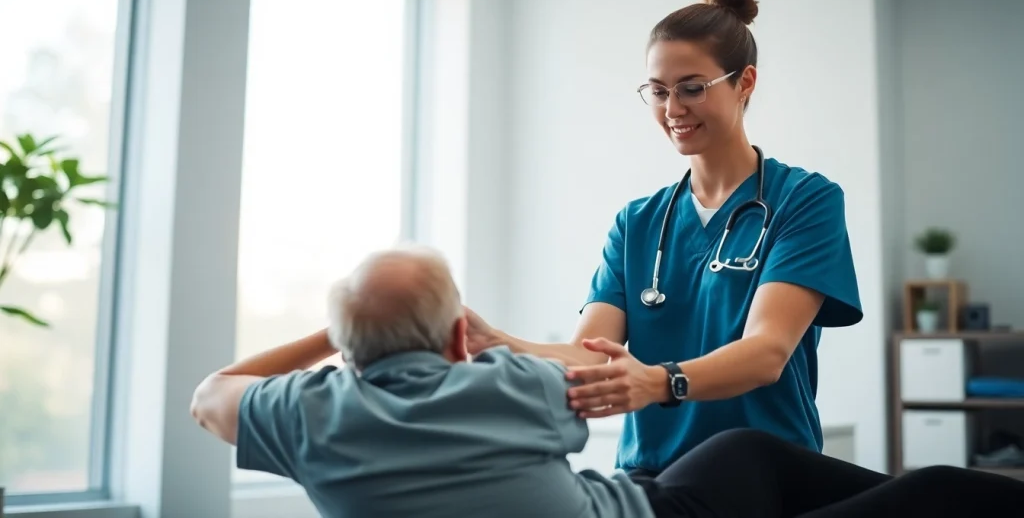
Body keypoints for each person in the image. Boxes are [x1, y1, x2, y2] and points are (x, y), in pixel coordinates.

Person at [190, 244, 1024, 518]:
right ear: (455, 335)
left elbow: (212, 391)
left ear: (344, 346)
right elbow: (594, 369)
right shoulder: (508, 385)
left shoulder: (302, 416)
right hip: (661, 510)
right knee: (941, 490)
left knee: (746, 451)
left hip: (676, 481)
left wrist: (340, 334)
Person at [463, 0, 865, 475]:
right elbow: (589, 356)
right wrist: (498, 341)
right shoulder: (637, 223)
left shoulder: (804, 200)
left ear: (745, 82)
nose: (672, 110)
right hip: (650, 476)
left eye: (692, 88)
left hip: (764, 474)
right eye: (657, 92)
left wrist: (660, 382)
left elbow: (767, 353)